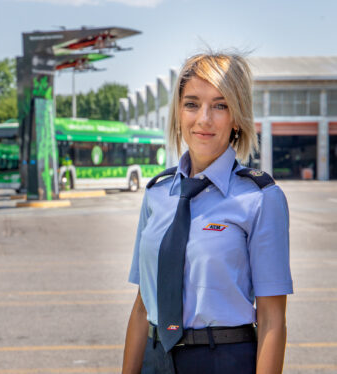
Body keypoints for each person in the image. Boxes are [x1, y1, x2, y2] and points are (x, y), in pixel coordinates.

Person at [122, 52, 293, 374]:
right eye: (191, 104)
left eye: (220, 105)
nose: (203, 119)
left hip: (223, 360)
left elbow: (272, 319)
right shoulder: (157, 193)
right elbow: (143, 307)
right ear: (177, 113)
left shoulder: (259, 198)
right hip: (155, 358)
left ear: (237, 117)